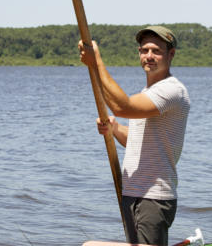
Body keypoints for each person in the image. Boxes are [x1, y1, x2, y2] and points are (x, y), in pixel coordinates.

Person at [78, 25, 190, 246]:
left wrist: (96, 62)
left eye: (156, 51)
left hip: (154, 196)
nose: (149, 56)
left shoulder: (171, 90)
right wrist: (115, 129)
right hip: (132, 193)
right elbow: (137, 141)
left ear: (171, 54)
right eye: (144, 50)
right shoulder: (146, 94)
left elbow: (122, 106)